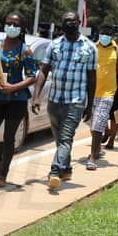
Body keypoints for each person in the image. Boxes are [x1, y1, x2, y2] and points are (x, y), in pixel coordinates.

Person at [32, 11, 96, 188]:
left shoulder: (89, 47)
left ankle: (55, 171)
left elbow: (92, 78)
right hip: (54, 99)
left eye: (72, 21)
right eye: (66, 21)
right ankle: (67, 168)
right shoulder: (54, 44)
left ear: (78, 22)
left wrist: (90, 105)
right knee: (59, 138)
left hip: (75, 100)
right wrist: (36, 96)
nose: (69, 23)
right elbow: (44, 70)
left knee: (66, 137)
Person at [0, 12, 37, 187]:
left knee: (9, 136)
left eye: (15, 24)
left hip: (17, 99)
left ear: (21, 28)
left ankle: (3, 174)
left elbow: (32, 76)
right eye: (8, 23)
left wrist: (14, 87)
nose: (11, 27)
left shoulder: (25, 50)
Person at [87, 26, 118, 169]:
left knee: (98, 123)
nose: (104, 36)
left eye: (107, 34)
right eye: (102, 33)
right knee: (92, 124)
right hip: (90, 94)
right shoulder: (91, 48)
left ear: (112, 36)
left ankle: (92, 157)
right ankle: (97, 147)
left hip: (108, 94)